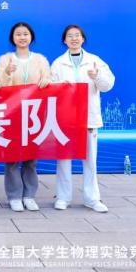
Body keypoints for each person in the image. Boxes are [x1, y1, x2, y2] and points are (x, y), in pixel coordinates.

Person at [51, 24, 115, 213]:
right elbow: (50, 89)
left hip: (88, 117)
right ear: (64, 41)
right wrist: (60, 85)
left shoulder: (94, 61)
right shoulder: (58, 63)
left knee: (90, 160)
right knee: (64, 159)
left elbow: (107, 85)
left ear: (83, 39)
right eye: (70, 36)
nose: (74, 38)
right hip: (65, 118)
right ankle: (63, 197)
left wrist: (97, 76)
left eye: (77, 35)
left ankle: (92, 198)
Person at [0, 22, 51, 212]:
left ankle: (29, 195)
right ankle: (14, 196)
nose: (22, 37)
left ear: (31, 37)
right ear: (13, 38)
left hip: (34, 115)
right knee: (12, 158)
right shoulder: (5, 59)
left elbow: (49, 81)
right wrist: (6, 73)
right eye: (18, 34)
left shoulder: (41, 60)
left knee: (31, 158)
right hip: (12, 114)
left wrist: (47, 80)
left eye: (25, 34)